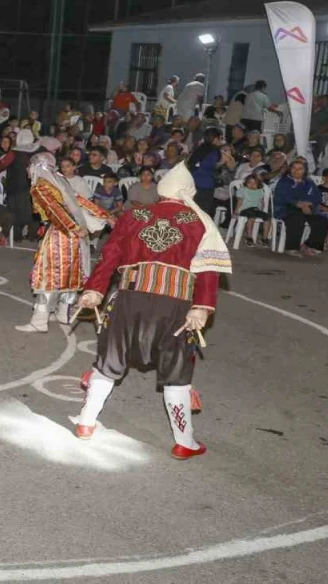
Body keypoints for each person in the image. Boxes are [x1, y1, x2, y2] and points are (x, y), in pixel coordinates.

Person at [74, 163, 231, 459]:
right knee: (176, 371)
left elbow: (110, 255)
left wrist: (95, 289)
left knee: (109, 360)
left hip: (129, 298)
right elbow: (208, 269)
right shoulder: (201, 223)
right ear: (187, 193)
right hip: (175, 304)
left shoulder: (135, 215)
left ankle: (85, 423)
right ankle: (184, 441)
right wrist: (202, 307)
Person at [15, 153, 112, 332]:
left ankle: (39, 320)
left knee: (48, 275)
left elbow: (54, 209)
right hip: (75, 235)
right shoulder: (59, 180)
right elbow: (80, 200)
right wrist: (105, 216)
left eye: (30, 166)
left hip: (61, 233)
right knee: (71, 273)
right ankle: (63, 313)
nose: (28, 170)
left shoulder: (40, 186)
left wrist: (72, 227)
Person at [272, 159, 327, 256]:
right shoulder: (284, 181)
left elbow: (317, 196)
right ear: (290, 169)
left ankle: (308, 245)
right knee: (297, 218)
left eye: (300, 169)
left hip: (306, 208)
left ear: (305, 170)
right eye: (294, 168)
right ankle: (292, 248)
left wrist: (307, 204)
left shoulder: (308, 182)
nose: (296, 171)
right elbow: (281, 197)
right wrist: (299, 204)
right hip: (285, 208)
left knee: (322, 221)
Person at [233, 174, 271, 246]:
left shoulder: (260, 191)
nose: (252, 185)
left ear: (258, 184)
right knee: (251, 217)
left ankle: (264, 238)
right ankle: (249, 237)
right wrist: (236, 211)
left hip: (256, 210)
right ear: (246, 183)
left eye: (254, 183)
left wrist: (262, 210)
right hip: (245, 209)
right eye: (249, 182)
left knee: (267, 218)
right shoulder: (243, 190)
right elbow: (239, 201)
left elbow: (262, 202)